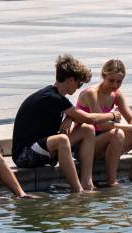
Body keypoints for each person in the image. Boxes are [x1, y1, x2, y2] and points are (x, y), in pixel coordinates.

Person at [12, 54, 119, 192]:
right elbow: (89, 118)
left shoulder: (58, 98)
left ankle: (87, 184)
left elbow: (82, 120)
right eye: (79, 83)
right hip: (24, 154)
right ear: (70, 80)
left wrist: (69, 117)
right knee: (62, 139)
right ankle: (78, 190)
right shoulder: (51, 97)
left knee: (87, 129)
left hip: (40, 147)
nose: (78, 87)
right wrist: (112, 115)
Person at [69, 59, 132, 185]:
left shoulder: (116, 93)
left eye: (119, 82)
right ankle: (112, 182)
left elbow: (131, 118)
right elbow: (102, 126)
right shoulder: (92, 93)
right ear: (103, 75)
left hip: (106, 141)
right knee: (117, 133)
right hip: (86, 146)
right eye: (111, 81)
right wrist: (131, 128)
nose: (114, 85)